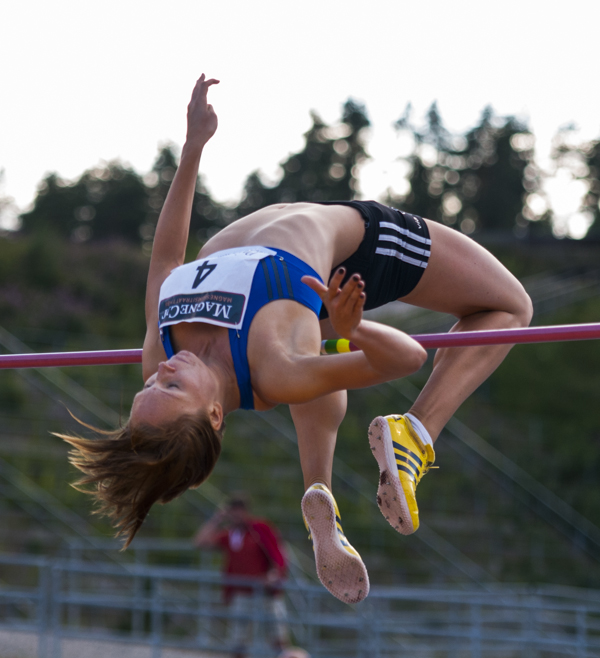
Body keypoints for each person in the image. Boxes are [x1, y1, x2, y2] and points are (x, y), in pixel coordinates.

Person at [59, 74, 532, 605]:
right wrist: (354, 328)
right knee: (511, 306)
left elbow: (167, 259)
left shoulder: (164, 348)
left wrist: (192, 149)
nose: (164, 371)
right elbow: (409, 357)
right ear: (214, 415)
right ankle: (415, 434)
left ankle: (320, 488)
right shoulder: (276, 365)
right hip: (351, 255)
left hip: (305, 294)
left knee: (314, 358)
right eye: (171, 389)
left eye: (149, 384)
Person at [194, 494, 289, 657]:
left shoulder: (260, 529)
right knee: (239, 642)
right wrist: (217, 519)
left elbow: (278, 555)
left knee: (278, 638)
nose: (236, 515)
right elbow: (200, 542)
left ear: (246, 511)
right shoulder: (229, 535)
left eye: (239, 511)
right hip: (242, 594)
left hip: (266, 593)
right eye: (233, 511)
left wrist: (274, 575)